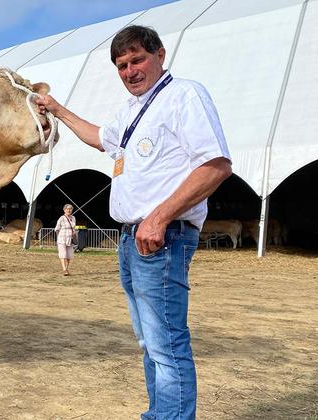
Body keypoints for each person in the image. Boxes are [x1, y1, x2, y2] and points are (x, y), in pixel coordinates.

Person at [37, 25, 232, 419]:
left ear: (160, 54)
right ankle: (158, 414)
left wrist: (159, 217)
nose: (130, 71)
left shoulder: (183, 96)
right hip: (132, 241)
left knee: (166, 343)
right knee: (149, 342)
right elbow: (98, 138)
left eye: (137, 59)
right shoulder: (131, 112)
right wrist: (57, 110)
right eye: (122, 65)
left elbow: (215, 166)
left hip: (162, 237)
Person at [54, 204, 76, 276]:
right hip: (62, 238)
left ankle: (67, 268)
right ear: (64, 210)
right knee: (63, 253)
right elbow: (57, 229)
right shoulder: (61, 218)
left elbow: (74, 227)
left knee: (69, 255)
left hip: (70, 238)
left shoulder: (73, 218)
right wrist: (59, 237)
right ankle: (64, 269)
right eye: (67, 209)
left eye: (70, 209)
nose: (69, 210)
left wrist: (74, 233)